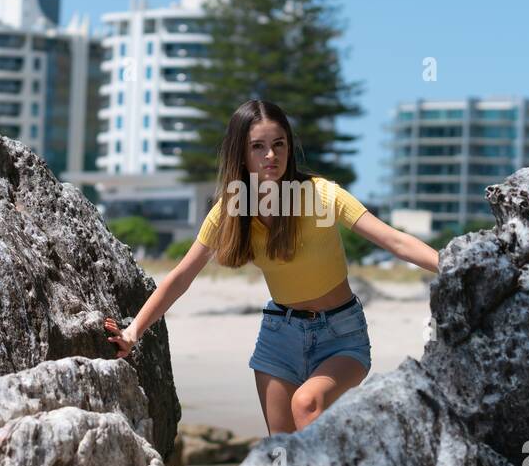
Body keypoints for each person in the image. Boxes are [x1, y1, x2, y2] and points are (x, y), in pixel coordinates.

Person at [105, 99, 439, 435]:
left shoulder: (321, 196)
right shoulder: (232, 210)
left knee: (307, 404)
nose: (271, 156)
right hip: (280, 336)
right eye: (258, 147)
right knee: (281, 455)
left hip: (340, 335)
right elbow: (181, 276)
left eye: (279, 144)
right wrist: (133, 332)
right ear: (242, 153)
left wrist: (450, 265)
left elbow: (395, 241)